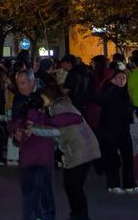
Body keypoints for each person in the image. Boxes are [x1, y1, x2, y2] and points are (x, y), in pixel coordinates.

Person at [41, 84, 101, 220]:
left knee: (73, 186)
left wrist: (37, 129)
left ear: (48, 96)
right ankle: (77, 215)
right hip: (85, 146)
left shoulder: (57, 108)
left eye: (42, 97)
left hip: (80, 149)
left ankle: (80, 216)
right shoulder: (63, 104)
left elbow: (56, 129)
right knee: (73, 185)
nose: (41, 100)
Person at [9, 69, 56, 220]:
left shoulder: (46, 97)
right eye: (18, 84)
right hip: (28, 151)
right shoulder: (19, 98)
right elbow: (13, 120)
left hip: (42, 151)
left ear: (32, 82)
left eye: (23, 83)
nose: (20, 87)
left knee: (43, 190)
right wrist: (15, 130)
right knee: (29, 190)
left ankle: (45, 216)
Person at [97, 66, 138, 194]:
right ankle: (113, 185)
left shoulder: (125, 93)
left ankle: (129, 184)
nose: (122, 80)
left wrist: (132, 117)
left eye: (124, 78)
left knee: (127, 157)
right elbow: (100, 100)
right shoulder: (108, 89)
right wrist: (111, 85)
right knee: (112, 158)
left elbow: (129, 108)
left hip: (123, 129)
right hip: (109, 130)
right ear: (113, 79)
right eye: (119, 78)